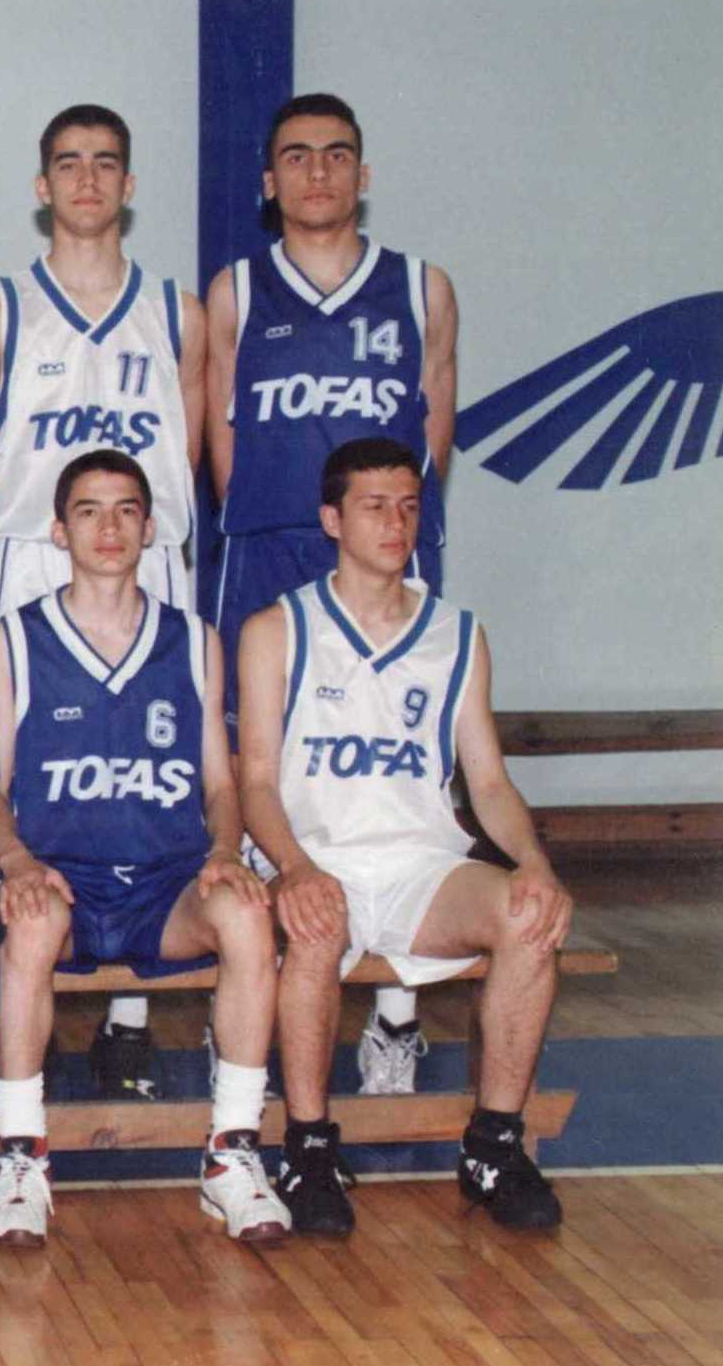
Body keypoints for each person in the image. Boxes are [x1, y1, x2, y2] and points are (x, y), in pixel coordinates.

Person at [238, 438, 570, 1236]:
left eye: (408, 507)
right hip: (316, 855)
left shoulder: (456, 634)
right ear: (331, 519)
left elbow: (486, 784)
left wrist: (533, 862)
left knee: (530, 916)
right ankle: (308, 1148)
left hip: (420, 865)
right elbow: (254, 781)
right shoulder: (276, 629)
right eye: (374, 506)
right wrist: (294, 867)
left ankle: (493, 1145)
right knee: (314, 928)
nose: (395, 523)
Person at [207, 94, 461, 1089]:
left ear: (362, 172)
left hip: (379, 553)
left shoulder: (420, 289)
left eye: (335, 154)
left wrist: (384, 536)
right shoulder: (234, 290)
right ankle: (256, 996)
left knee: (397, 763)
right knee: (259, 763)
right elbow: (220, 442)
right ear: (267, 181)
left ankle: (394, 1017)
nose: (316, 172)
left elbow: (432, 437)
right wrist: (270, 519)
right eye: (296, 156)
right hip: (269, 545)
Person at [0, 451, 287, 1246]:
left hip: (165, 881)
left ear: (151, 529)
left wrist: (225, 850)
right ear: (59, 530)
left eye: (125, 510)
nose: (108, 527)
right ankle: (20, 1154)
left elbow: (220, 784)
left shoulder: (194, 639)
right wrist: (16, 862)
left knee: (247, 914)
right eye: (88, 510)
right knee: (30, 923)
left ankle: (231, 1152)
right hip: (61, 878)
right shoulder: (12, 639)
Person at [0, 106, 208, 1094]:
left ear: (128, 184)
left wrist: (141, 538)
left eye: (106, 163)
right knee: (18, 773)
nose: (88, 179)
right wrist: (20, 536)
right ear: (41, 185)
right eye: (68, 163)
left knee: (152, 771)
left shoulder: (178, 311)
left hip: (144, 553)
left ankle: (128, 1017)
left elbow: (188, 452)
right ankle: (17, 989)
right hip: (33, 549)